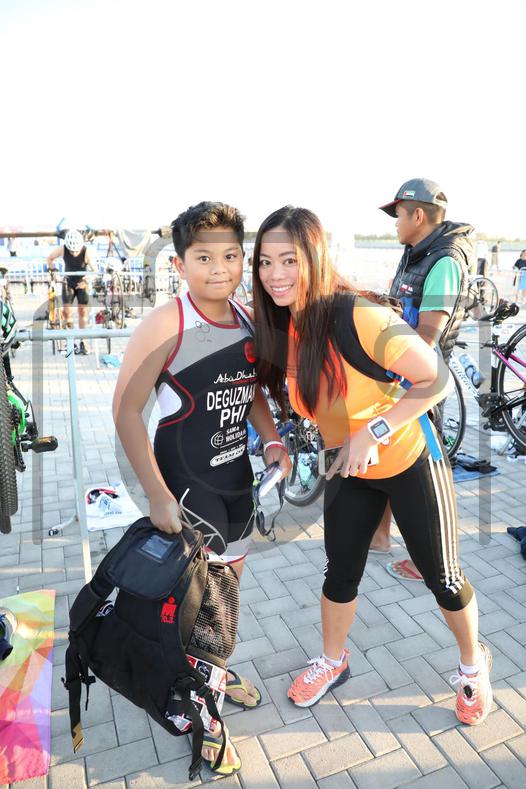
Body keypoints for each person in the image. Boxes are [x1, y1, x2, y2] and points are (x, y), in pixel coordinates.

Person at [252, 205, 492, 725]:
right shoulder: (281, 325)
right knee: (340, 572)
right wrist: (276, 443)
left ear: (315, 258)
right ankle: (332, 660)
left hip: (408, 459)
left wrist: (374, 430)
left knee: (443, 578)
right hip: (350, 467)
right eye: (265, 262)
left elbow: (435, 378)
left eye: (289, 260)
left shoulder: (359, 315)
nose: (275, 275)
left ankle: (473, 664)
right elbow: (266, 393)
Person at [112, 201, 290, 776]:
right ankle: (203, 711)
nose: (220, 268)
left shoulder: (246, 318)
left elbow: (251, 390)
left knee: (225, 598)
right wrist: (156, 494)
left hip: (237, 484)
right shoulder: (167, 324)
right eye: (204, 257)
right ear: (180, 264)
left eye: (231, 256)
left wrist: (271, 440)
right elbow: (126, 412)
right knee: (196, 603)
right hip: (186, 487)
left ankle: (212, 669)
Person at [370, 179, 473, 582]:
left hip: (423, 384)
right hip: (399, 375)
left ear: (417, 215)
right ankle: (380, 536)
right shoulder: (415, 253)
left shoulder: (444, 261)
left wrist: (386, 351)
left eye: (397, 214)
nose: (394, 222)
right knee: (390, 454)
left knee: (427, 472)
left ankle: (434, 559)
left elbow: (428, 334)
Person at [46, 229, 96, 354]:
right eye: (71, 251)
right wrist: (53, 272)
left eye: (76, 251)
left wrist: (86, 281)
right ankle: (70, 341)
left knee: (82, 312)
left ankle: (83, 341)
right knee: (67, 313)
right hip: (68, 282)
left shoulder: (86, 251)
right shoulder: (63, 249)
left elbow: (95, 271)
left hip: (82, 283)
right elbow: (50, 258)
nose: (73, 253)